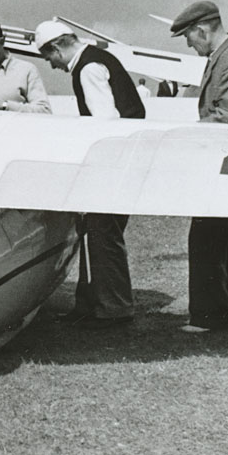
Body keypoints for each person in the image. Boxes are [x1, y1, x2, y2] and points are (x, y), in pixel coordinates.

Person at [34, 20, 144, 327]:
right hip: (125, 162)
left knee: (102, 234)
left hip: (112, 167)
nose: (51, 65)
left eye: (49, 57)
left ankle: (113, 308)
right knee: (101, 235)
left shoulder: (88, 68)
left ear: (56, 47)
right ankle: (97, 304)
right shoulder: (97, 59)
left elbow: (105, 121)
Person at [169, 0, 228, 334]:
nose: (189, 44)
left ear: (201, 29)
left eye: (188, 37)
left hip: (227, 162)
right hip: (224, 163)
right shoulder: (225, 56)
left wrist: (187, 136)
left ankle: (211, 316)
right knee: (223, 238)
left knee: (207, 236)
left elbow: (227, 115)